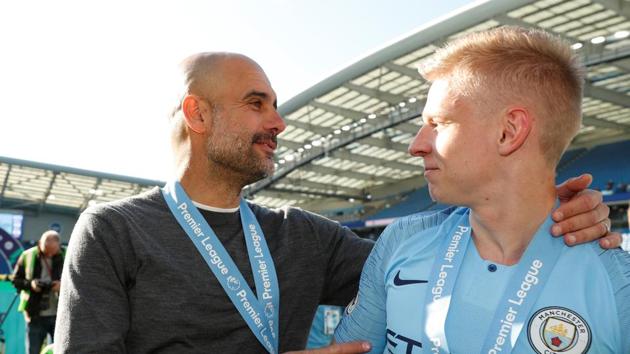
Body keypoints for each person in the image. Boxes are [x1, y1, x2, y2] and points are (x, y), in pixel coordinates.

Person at [54, 52, 620, 354]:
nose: (278, 121)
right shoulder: (113, 230)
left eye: (276, 105)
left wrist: (563, 214)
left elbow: (449, 255)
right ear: (198, 115)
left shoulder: (304, 236)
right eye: (257, 104)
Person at [334, 26, 630, 353]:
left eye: (439, 123)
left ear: (508, 131)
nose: (415, 146)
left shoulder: (617, 281)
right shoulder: (401, 240)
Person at [12, 230, 64, 354]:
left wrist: (62, 286)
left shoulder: (67, 254)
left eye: (53, 252)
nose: (50, 255)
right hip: (35, 313)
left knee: (61, 350)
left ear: (59, 246)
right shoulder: (27, 255)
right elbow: (16, 280)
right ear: (40, 243)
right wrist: (31, 284)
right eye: (47, 251)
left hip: (60, 314)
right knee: (33, 350)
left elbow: (80, 281)